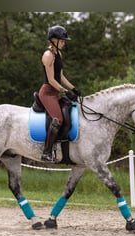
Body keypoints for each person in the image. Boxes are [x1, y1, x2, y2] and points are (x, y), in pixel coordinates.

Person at [38, 25, 81, 163]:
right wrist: (65, 91)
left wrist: (73, 88)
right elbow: (51, 80)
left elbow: (60, 77)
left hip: (56, 91)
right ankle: (46, 152)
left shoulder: (58, 54)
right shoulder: (48, 55)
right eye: (62, 40)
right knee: (58, 119)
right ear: (53, 40)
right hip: (47, 93)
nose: (63, 43)